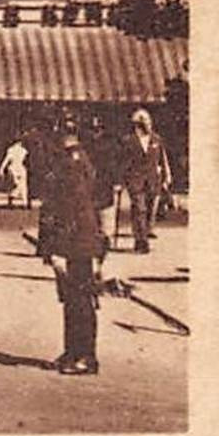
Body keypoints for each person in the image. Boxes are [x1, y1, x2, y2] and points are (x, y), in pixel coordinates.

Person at [45, 128, 105, 375]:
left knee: (79, 300)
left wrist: (56, 249)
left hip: (77, 243)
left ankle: (85, 356)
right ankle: (73, 351)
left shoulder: (71, 166)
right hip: (81, 241)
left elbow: (69, 209)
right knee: (74, 299)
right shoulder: (78, 161)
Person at [117, 109, 171, 254]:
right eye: (145, 123)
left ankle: (144, 234)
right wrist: (120, 180)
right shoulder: (128, 141)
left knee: (150, 211)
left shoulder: (157, 139)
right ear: (137, 125)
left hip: (153, 180)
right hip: (135, 181)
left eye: (149, 122)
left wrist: (167, 176)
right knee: (139, 209)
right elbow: (122, 162)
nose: (149, 125)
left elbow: (162, 159)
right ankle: (141, 241)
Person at [0, 135, 30, 208]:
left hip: (13, 168)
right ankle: (24, 202)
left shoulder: (10, 150)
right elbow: (27, 162)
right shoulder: (24, 151)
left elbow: (6, 160)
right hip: (21, 168)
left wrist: (2, 169)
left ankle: (12, 197)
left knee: (13, 185)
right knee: (23, 186)